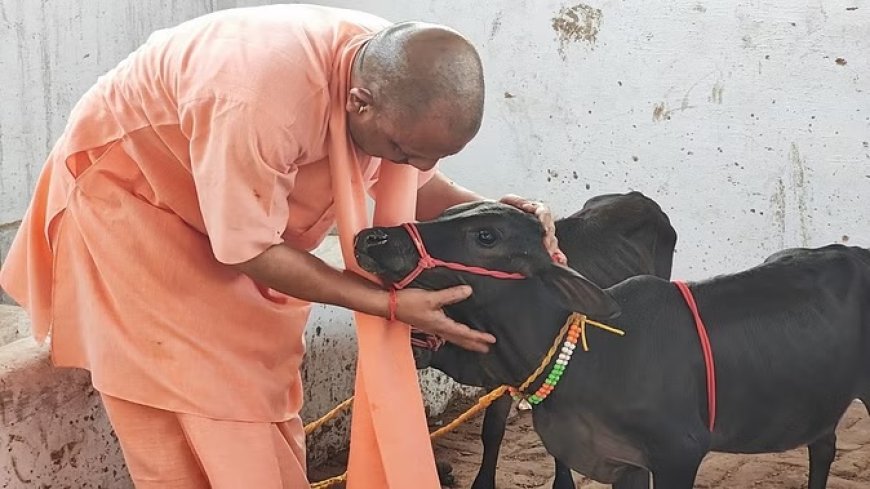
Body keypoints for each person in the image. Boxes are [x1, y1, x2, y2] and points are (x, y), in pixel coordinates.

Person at [0, 4, 563, 488]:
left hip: (225, 210)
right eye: (403, 151)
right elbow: (246, 249)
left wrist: (498, 217)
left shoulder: (394, 82)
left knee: (254, 392)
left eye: (429, 157)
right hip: (138, 208)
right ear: (360, 103)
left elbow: (419, 184)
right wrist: (388, 304)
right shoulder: (257, 101)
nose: (412, 169)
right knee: (190, 394)